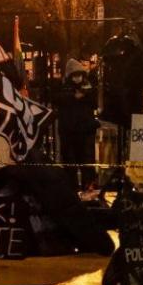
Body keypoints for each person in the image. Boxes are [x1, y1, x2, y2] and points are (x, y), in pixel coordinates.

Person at [56, 58, 99, 192]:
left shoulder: (89, 88)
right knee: (70, 162)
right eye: (74, 75)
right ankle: (72, 190)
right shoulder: (64, 89)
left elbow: (95, 103)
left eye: (79, 75)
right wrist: (74, 97)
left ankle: (88, 187)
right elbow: (57, 99)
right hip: (70, 132)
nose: (77, 78)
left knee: (87, 161)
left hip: (85, 131)